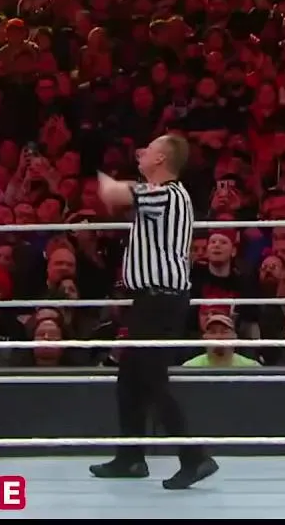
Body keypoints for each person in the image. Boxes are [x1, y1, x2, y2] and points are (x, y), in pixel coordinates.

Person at [90, 134, 218, 490]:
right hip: (149, 301)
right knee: (130, 378)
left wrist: (91, 165)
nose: (141, 152)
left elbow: (112, 193)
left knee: (151, 378)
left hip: (161, 301)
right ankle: (131, 458)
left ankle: (195, 457)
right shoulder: (161, 195)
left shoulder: (166, 194)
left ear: (161, 159)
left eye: (148, 149)